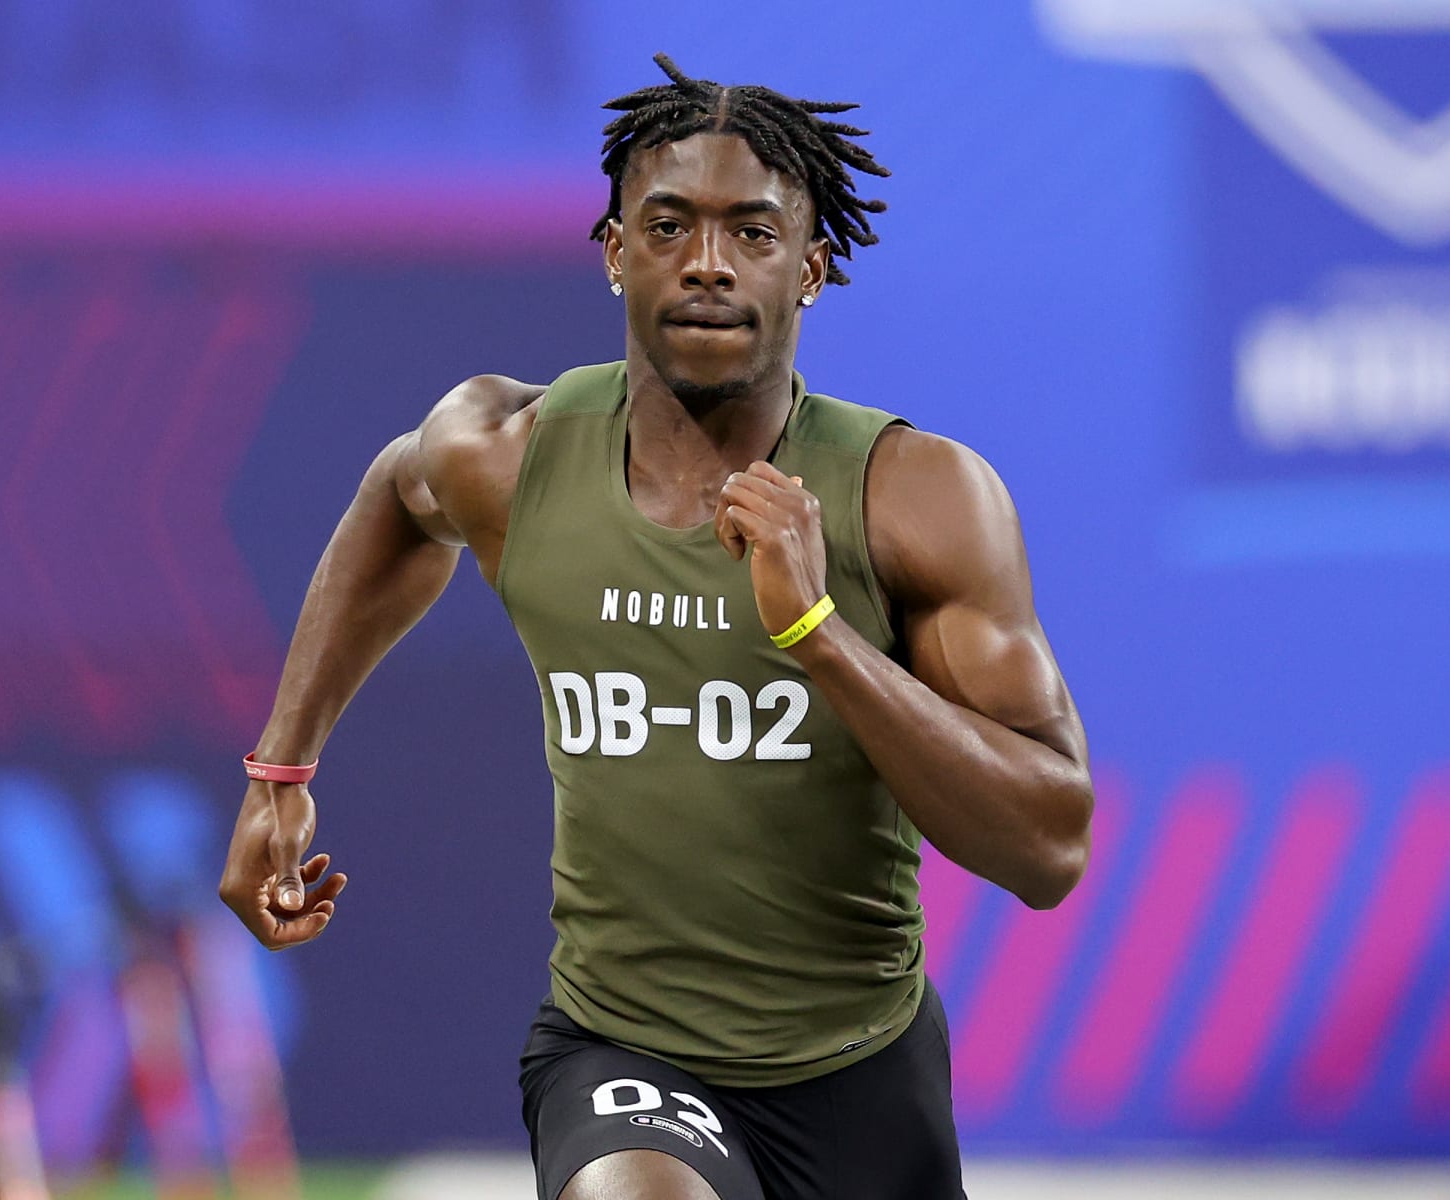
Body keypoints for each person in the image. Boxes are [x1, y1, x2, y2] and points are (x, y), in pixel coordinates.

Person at [220, 53, 1093, 1200]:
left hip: (858, 1068)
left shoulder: (914, 499)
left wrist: (818, 632)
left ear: (811, 267)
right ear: (614, 251)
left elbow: (1048, 849)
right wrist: (281, 771)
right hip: (621, 1052)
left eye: (753, 232)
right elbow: (395, 497)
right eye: (670, 226)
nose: (708, 262)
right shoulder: (508, 454)